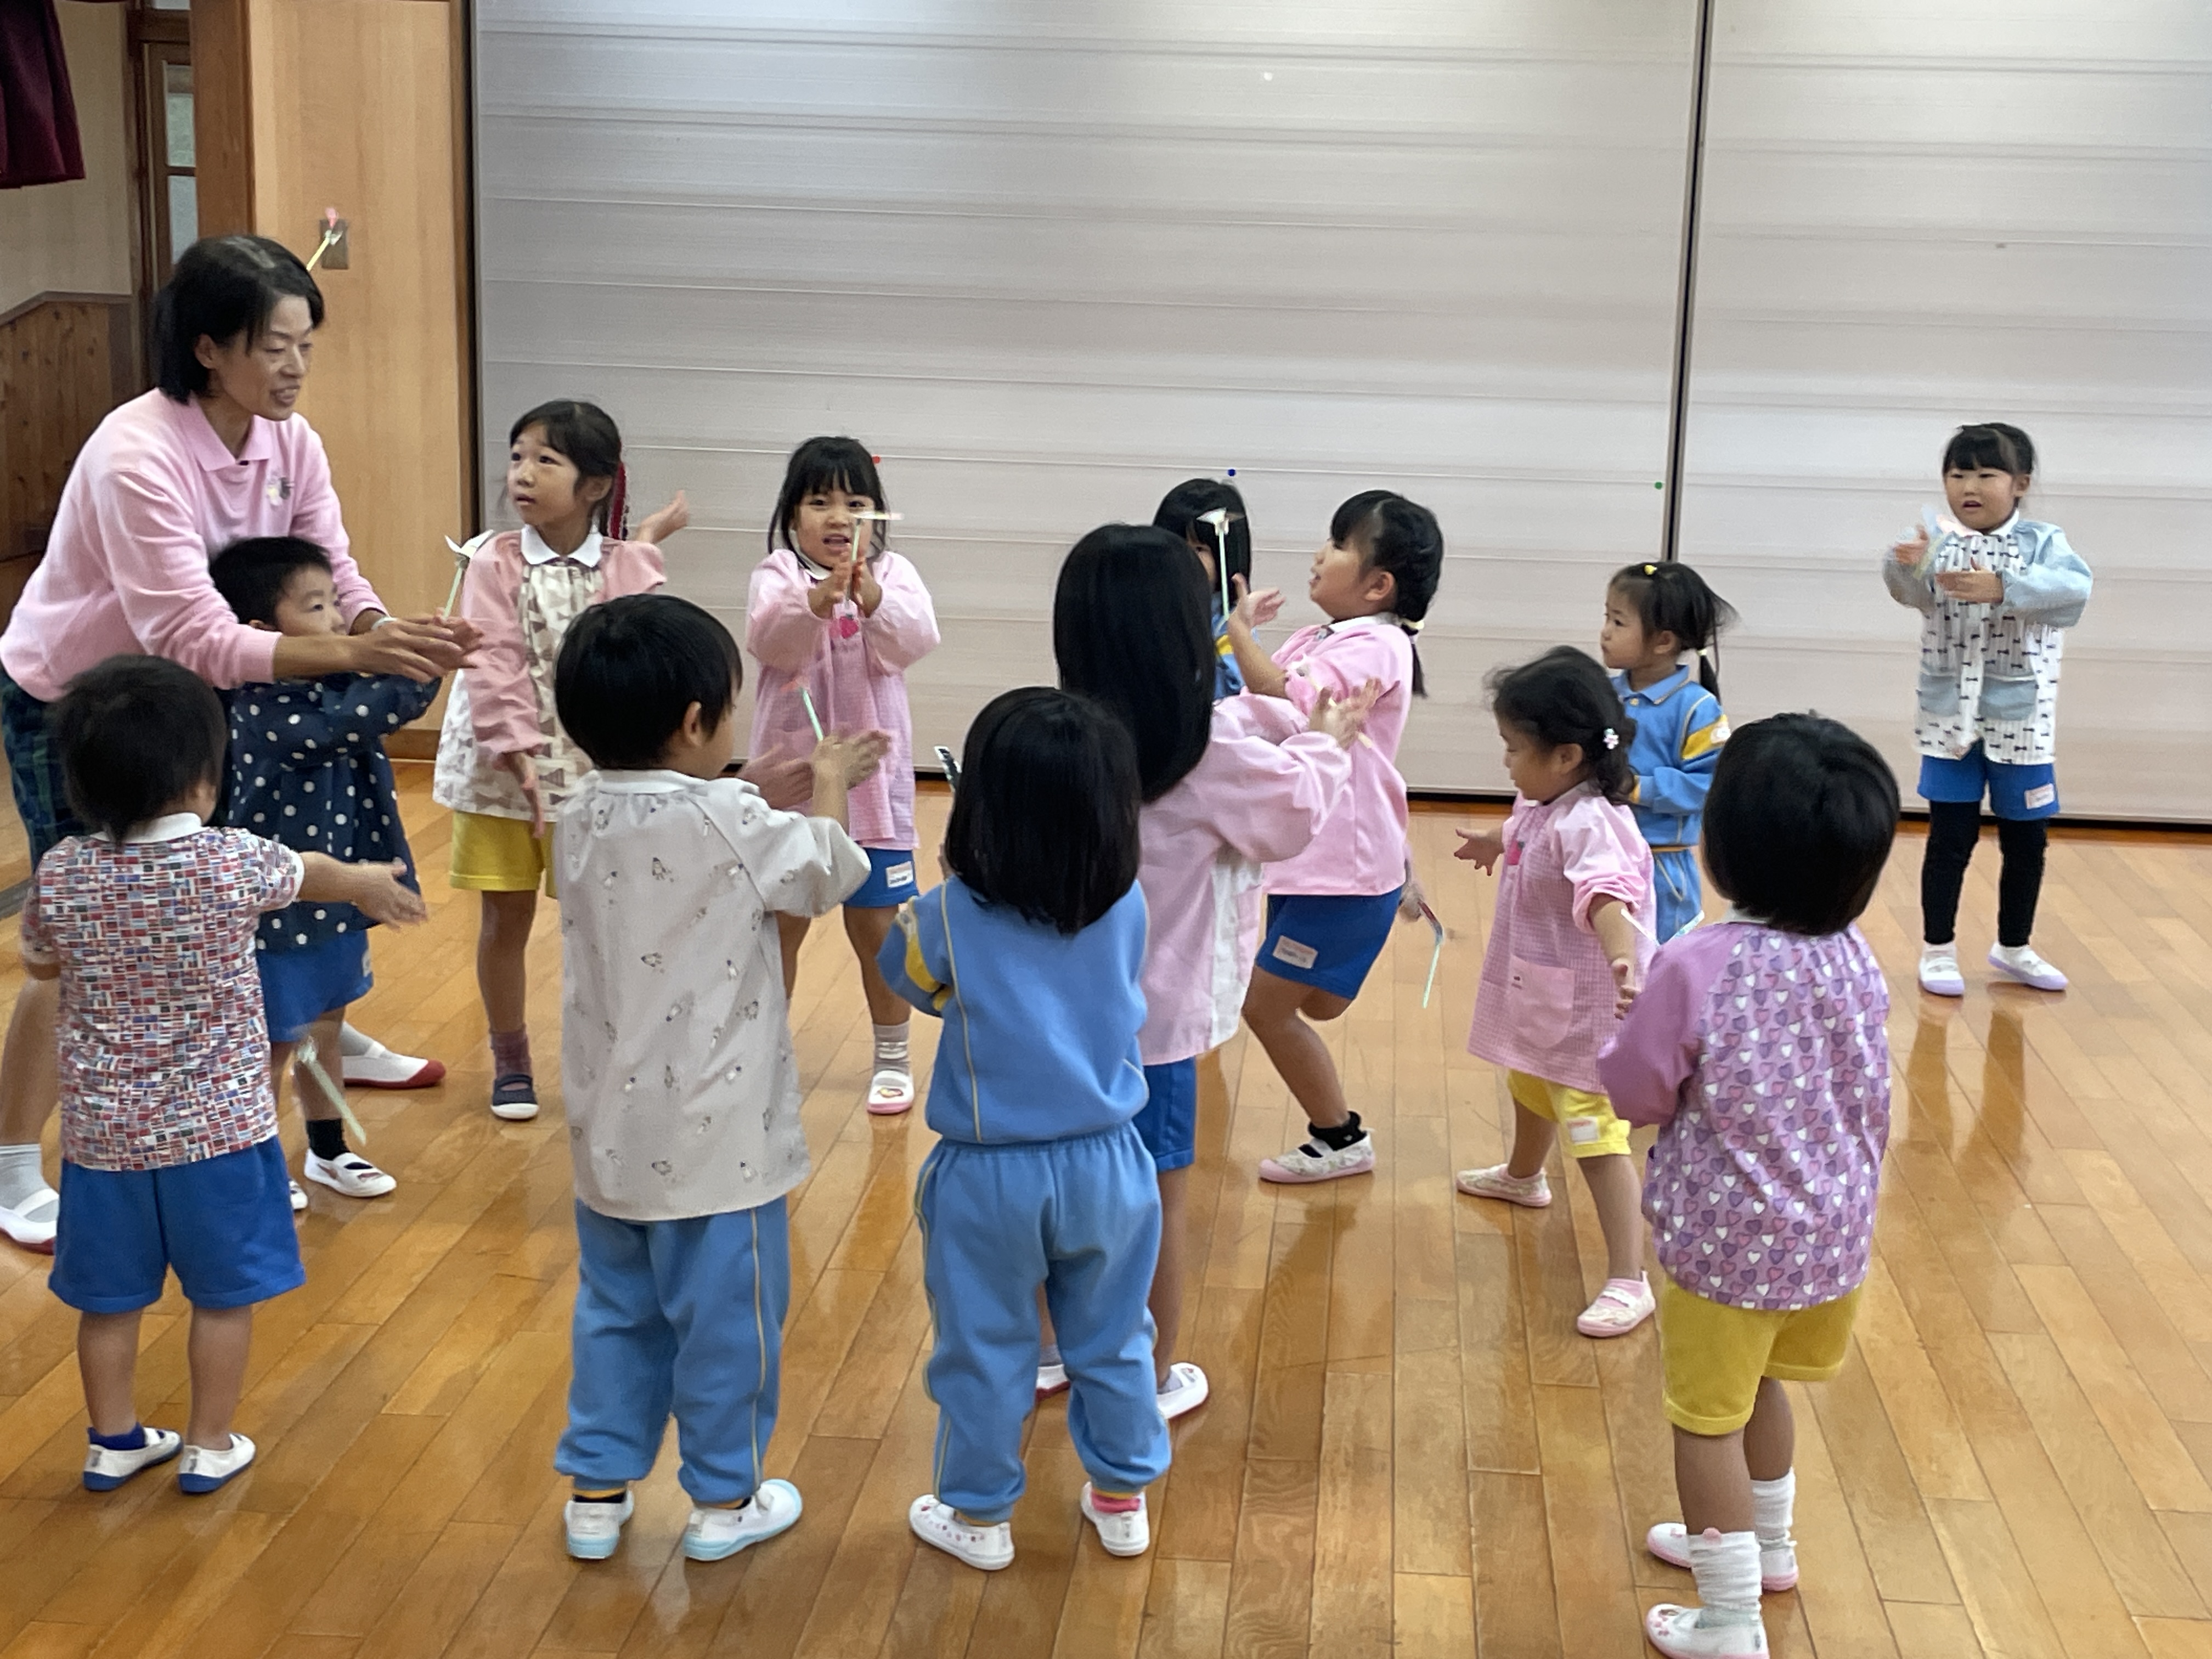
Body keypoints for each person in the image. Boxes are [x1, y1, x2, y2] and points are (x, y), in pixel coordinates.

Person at [0, 233, 473, 1251]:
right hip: (83, 705)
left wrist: (387, 630)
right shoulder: (137, 453)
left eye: (307, 346)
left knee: (243, 878)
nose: (296, 369)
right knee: (78, 931)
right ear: (209, 348)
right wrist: (361, 650)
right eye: (274, 348)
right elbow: (192, 633)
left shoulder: (290, 440)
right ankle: (9, 1159)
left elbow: (331, 566)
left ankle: (310, 1023)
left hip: (201, 701)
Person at [26, 657, 426, 1495]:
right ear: (204, 781)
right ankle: (210, 1444)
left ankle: (112, 1441)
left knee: (109, 1302)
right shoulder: (231, 862)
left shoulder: (62, 873)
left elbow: (42, 962)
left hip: (103, 1143)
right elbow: (309, 871)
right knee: (221, 1297)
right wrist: (363, 883)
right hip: (221, 1136)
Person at [545, 594, 883, 1563]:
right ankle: (724, 1500)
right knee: (730, 1327)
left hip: (609, 1140)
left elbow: (675, 827)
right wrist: (828, 783)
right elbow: (830, 870)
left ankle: (597, 1493)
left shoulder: (574, 814)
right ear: (696, 722)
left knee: (615, 1313)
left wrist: (745, 788)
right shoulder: (734, 815)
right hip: (719, 1145)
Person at [1051, 523, 1370, 1418]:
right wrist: (1324, 741)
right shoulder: (1204, 753)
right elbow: (1291, 813)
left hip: (1058, 1020)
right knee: (1156, 1198)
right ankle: (1151, 1375)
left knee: (1062, 1184)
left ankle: (1044, 1349)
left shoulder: (1060, 739)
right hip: (1154, 1030)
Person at [1597, 714, 1898, 1658]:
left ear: (1723, 847)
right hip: (1830, 1243)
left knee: (1703, 1425)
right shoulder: (1853, 953)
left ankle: (1728, 1619)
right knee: (1762, 1387)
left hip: (1725, 1249)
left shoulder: (1699, 961)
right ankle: (1768, 1549)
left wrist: (1634, 1022)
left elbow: (1635, 1093)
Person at [881, 689, 1170, 1571]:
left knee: (984, 1349)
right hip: (1112, 1167)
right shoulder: (1128, 903)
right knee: (1114, 1339)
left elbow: (909, 981)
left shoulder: (944, 914)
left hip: (987, 1175)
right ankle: (1121, 1498)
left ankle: (978, 1516)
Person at [432, 399, 685, 1121]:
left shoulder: (622, 565)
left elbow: (639, 651)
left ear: (595, 485)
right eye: (517, 456)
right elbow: (493, 660)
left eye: (547, 460)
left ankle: (607, 1053)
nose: (523, 473)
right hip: (499, 775)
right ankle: (510, 1056)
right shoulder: (493, 558)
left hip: (592, 778)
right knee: (504, 917)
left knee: (603, 924)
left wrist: (646, 541)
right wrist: (515, 749)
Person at [1221, 490, 1444, 1185]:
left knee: (1266, 1007)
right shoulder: (1323, 637)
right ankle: (1364, 933)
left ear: (1378, 585)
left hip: (1342, 871)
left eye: (1340, 544)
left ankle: (1340, 1136)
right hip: (1308, 861)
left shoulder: (1378, 645)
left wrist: (1237, 633)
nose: (1321, 553)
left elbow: (1284, 694)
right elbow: (1258, 702)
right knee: (1313, 1004)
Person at [211, 536, 437, 1210]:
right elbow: (356, 718)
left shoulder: (327, 686)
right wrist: (421, 662)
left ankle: (328, 1147)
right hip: (278, 906)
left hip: (338, 892)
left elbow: (365, 706)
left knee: (326, 1025)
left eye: (336, 602)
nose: (338, 620)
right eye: (316, 607)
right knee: (275, 1042)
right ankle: (256, 1164)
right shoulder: (263, 704)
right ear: (261, 632)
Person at [1453, 647, 1657, 1338]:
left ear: (1567, 756)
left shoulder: (1591, 821)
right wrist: (1495, 841)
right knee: (1529, 1077)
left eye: (1515, 748)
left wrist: (1623, 958)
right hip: (1545, 986)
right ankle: (1523, 1175)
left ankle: (1630, 1277)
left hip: (1591, 1004)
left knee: (1594, 1131)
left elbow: (1607, 896)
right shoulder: (1549, 802)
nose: (1506, 761)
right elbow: (1526, 829)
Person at [746, 437, 939, 1116]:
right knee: (782, 922)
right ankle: (764, 1054)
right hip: (793, 791)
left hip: (873, 793)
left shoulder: (896, 573)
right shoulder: (777, 573)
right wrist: (816, 602)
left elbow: (916, 641)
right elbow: (769, 641)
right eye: (819, 502)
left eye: (855, 504)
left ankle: (892, 1055)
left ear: (876, 515)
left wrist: (873, 598)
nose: (838, 518)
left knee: (879, 926)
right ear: (792, 513)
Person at [1885, 422, 2091, 997]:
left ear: (2020, 483)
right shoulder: (1933, 536)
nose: (1968, 487)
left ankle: (2014, 946)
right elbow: (1908, 591)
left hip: (2021, 723)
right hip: (1948, 720)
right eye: (1957, 474)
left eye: (1985, 474)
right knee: (1949, 838)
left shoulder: (2045, 542)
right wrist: (1907, 564)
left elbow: (2073, 592)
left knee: (2027, 840)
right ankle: (1938, 950)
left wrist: (2004, 586)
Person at [1600, 560, 1737, 943]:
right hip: (1599, 852)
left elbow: (1707, 787)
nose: (1605, 632)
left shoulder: (1697, 709)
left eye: (1618, 622)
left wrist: (1636, 787)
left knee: (1659, 958)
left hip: (1660, 867)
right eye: (1606, 618)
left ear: (1663, 642)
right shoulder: (1601, 694)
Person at [1153, 478, 1252, 697]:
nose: (1183, 559)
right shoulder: (1151, 609)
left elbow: (1236, 692)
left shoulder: (1231, 624)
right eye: (1175, 547)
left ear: (1227, 555)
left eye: (1199, 549)